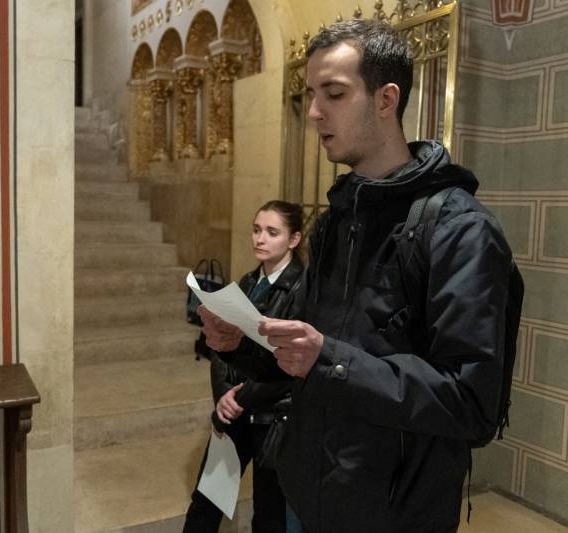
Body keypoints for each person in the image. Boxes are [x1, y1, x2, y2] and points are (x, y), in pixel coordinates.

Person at [199, 20, 516, 532]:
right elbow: (303, 357)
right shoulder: (335, 221)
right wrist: (240, 345)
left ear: (386, 99)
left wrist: (330, 360)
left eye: (334, 94)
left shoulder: (460, 229)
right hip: (309, 492)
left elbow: (471, 403)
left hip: (393, 512)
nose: (314, 112)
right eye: (310, 94)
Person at [183, 200, 306, 533]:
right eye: (256, 230)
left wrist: (240, 397)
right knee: (205, 503)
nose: (260, 239)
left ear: (294, 239)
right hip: (235, 412)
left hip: (274, 417)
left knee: (268, 515)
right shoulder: (248, 282)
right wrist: (223, 397)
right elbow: (220, 350)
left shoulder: (303, 288)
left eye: (272, 232)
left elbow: (290, 365)